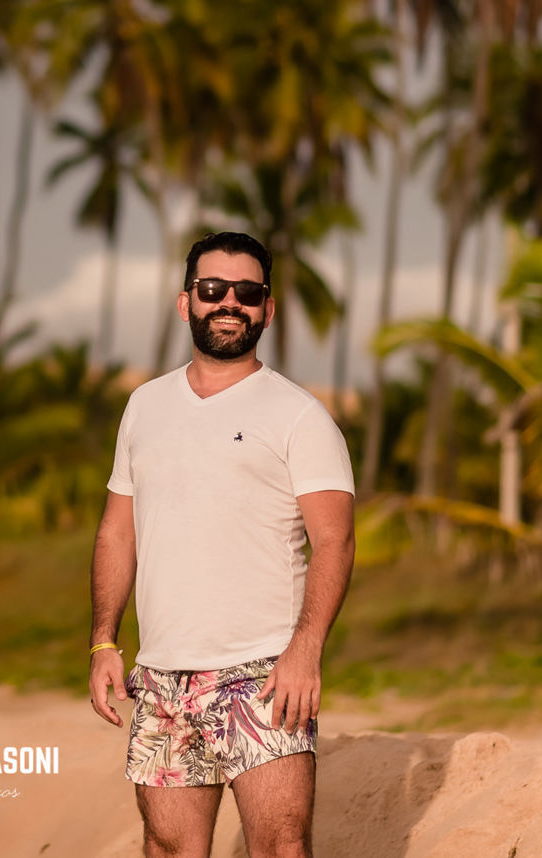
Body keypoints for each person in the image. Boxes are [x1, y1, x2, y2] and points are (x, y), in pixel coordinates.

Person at [88, 231, 356, 858]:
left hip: (265, 673)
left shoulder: (299, 416)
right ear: (186, 303)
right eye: (212, 290)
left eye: (247, 292)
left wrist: (305, 651)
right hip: (160, 676)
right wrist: (104, 639)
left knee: (280, 847)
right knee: (169, 846)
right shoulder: (144, 406)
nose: (228, 303)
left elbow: (336, 543)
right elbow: (116, 530)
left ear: (267, 307)